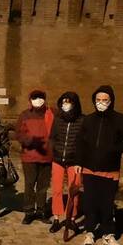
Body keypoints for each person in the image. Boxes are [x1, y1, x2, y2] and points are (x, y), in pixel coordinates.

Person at [76, 85, 123, 245]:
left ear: (111, 101)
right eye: (98, 100)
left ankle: (108, 233)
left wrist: (114, 149)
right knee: (89, 202)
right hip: (90, 169)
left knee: (107, 204)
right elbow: (80, 143)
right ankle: (89, 232)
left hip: (110, 170)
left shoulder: (120, 119)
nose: (101, 103)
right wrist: (78, 162)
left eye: (104, 100)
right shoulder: (88, 120)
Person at [17, 90, 55, 225]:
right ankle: (28, 212)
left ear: (45, 99)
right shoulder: (25, 115)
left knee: (43, 186)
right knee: (29, 185)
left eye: (40, 98)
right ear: (30, 100)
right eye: (35, 98)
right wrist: (30, 142)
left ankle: (41, 210)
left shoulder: (51, 113)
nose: (38, 100)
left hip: (47, 156)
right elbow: (19, 134)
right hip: (30, 157)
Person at [49, 92, 84, 234]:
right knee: (57, 189)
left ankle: (72, 218)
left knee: (74, 191)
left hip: (74, 161)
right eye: (63, 102)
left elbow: (84, 142)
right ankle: (56, 218)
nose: (65, 105)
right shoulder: (58, 119)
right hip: (58, 159)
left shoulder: (82, 120)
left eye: (68, 102)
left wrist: (80, 159)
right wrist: (54, 150)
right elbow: (52, 137)